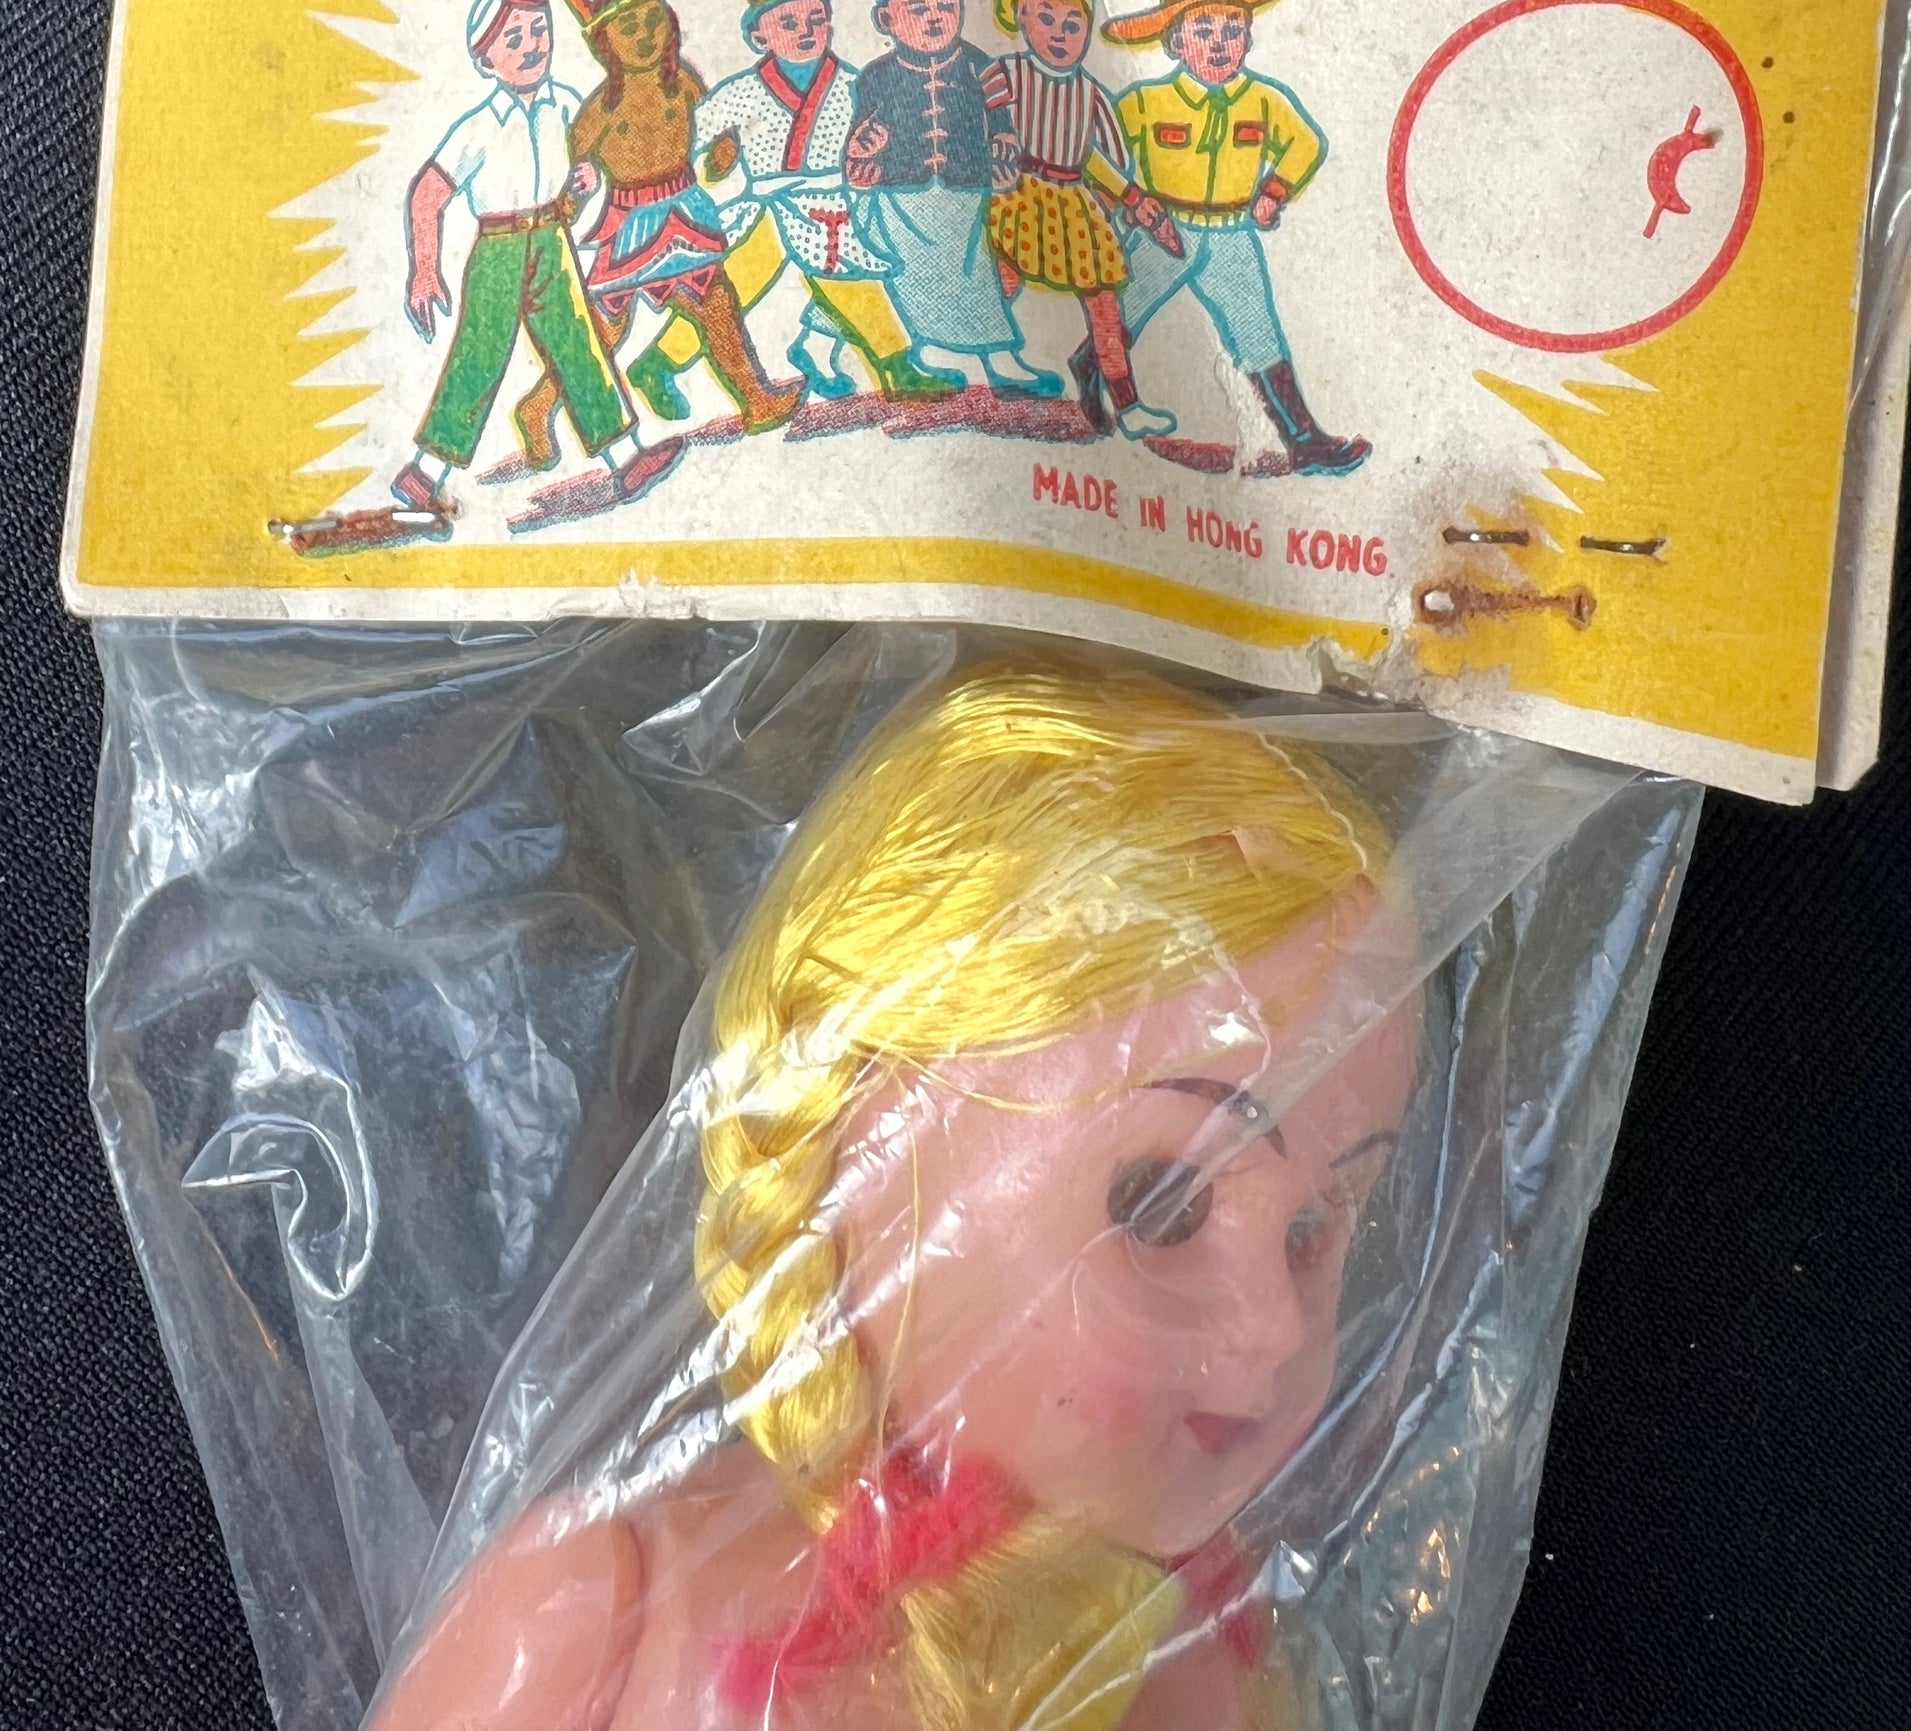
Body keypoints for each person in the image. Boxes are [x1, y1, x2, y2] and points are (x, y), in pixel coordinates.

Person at [364, 662, 1419, 1731]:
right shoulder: (609, 1599)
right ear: (860, 1137)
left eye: (1312, 1230)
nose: (1279, 1328)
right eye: (1161, 1205)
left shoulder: (1197, 1658)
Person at [634, 0, 957, 411]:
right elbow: (690, 134)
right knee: (731, 291)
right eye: (788, 23)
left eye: (816, 19)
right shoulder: (745, 90)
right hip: (769, 209)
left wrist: (875, 153)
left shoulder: (853, 84)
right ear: (759, 37)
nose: (806, 31)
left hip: (830, 209)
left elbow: (882, 141)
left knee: (852, 283)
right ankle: (657, 363)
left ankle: (897, 366)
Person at [390, 0, 669, 513]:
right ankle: (423, 475)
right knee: (479, 358)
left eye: (539, 31)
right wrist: (424, 269)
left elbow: (586, 168)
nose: (531, 46)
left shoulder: (566, 106)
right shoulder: (478, 127)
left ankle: (627, 460)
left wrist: (587, 180)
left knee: (580, 345)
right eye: (513, 39)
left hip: (552, 239)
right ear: (487, 60)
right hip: (498, 250)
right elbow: (428, 193)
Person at [508, 0, 802, 464]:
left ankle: (756, 398)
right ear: (605, 43)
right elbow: (578, 172)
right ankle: (538, 408)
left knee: (716, 304)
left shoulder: (682, 79)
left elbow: (708, 122)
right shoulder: (600, 110)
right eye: (628, 28)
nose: (644, 35)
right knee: (606, 333)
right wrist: (567, 208)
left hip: (684, 211)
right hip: (632, 225)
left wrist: (725, 147)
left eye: (652, 20)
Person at [1104, 0, 1370, 476]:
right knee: (1119, 317)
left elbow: (1306, 144)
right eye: (1203, 31)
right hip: (1164, 233)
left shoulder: (1264, 100)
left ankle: (1304, 441)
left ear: (1248, 37)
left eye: (1232, 29)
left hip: (1231, 236)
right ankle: (1090, 395)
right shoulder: (1147, 101)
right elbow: (1094, 148)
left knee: (1258, 334)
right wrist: (1130, 198)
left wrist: (1275, 189)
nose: (1219, 43)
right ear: (1176, 43)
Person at [983, 0, 1185, 439]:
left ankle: (1128, 404)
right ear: (1020, 12)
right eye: (1046, 17)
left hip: (1075, 208)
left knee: (1106, 307)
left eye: (1074, 24)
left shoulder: (1091, 93)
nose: (1060, 33)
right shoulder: (1007, 75)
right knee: (998, 283)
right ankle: (987, 363)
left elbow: (1096, 160)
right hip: (1018, 197)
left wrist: (1135, 201)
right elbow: (977, 126)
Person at [844, 0, 1063, 397]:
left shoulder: (980, 64)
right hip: (902, 193)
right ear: (885, 19)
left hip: (965, 188)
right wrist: (864, 151)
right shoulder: (875, 76)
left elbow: (1001, 122)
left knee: (976, 271)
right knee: (904, 272)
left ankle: (999, 358)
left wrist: (1003, 150)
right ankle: (925, 348)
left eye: (947, 4)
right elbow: (861, 136)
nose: (935, 18)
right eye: (917, 8)